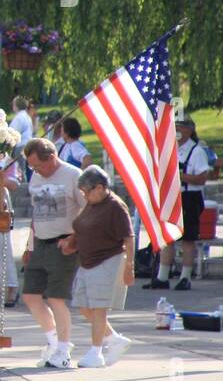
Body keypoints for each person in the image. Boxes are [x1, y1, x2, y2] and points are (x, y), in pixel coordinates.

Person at [21, 138, 86, 368]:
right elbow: (35, 214)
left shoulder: (73, 175)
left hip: (64, 244)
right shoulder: (37, 178)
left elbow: (87, 210)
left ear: (52, 158)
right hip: (40, 242)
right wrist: (29, 247)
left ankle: (64, 350)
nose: (36, 171)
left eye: (38, 165)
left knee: (56, 298)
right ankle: (53, 342)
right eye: (32, 167)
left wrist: (74, 239)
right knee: (30, 295)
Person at [66, 166, 134, 367]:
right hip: (86, 261)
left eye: (87, 192)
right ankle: (114, 339)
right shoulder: (92, 203)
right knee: (84, 306)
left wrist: (130, 266)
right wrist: (71, 242)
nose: (84, 196)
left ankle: (96, 353)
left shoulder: (115, 206)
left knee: (98, 308)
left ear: (100, 188)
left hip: (107, 260)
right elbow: (82, 226)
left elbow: (129, 238)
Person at [145, 118, 214, 290]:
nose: (176, 130)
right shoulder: (171, 148)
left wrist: (180, 176)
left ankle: (185, 277)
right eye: (175, 127)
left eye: (180, 127)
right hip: (171, 196)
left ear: (189, 130)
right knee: (168, 237)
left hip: (189, 197)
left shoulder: (196, 151)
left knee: (188, 239)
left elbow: (202, 178)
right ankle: (162, 276)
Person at [0, 154, 22, 306]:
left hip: (0, 201)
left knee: (1, 245)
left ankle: (11, 286)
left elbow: (14, 184)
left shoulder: (6, 159)